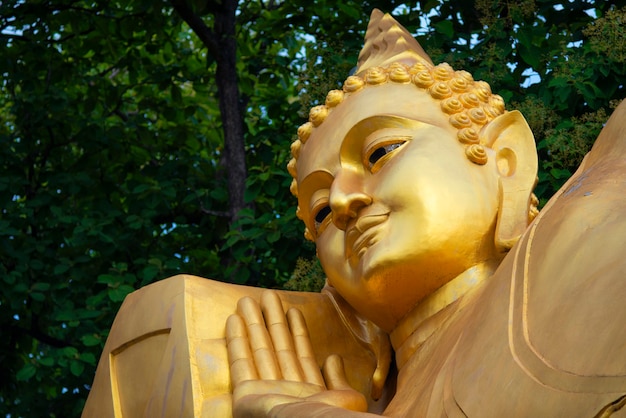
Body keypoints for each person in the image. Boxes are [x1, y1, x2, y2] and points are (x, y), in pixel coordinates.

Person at [83, 10, 626, 417]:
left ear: (505, 161)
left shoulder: (581, 251)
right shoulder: (365, 396)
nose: (342, 203)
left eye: (380, 153)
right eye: (318, 210)